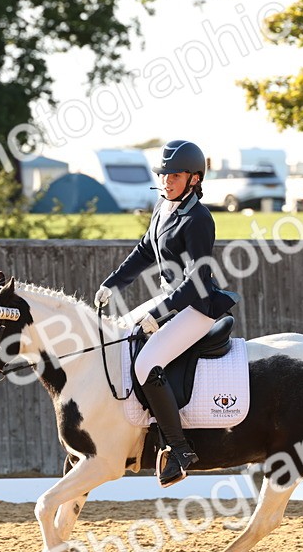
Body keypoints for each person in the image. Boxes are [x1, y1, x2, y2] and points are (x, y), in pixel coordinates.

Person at [94, 139, 239, 487]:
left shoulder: (199, 219)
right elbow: (145, 250)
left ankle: (178, 449)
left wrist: (160, 312)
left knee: (146, 364)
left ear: (194, 179)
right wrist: (113, 284)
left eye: (175, 175)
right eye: (163, 174)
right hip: (170, 301)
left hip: (195, 307)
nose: (167, 180)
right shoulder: (163, 206)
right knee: (121, 340)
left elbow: (198, 280)